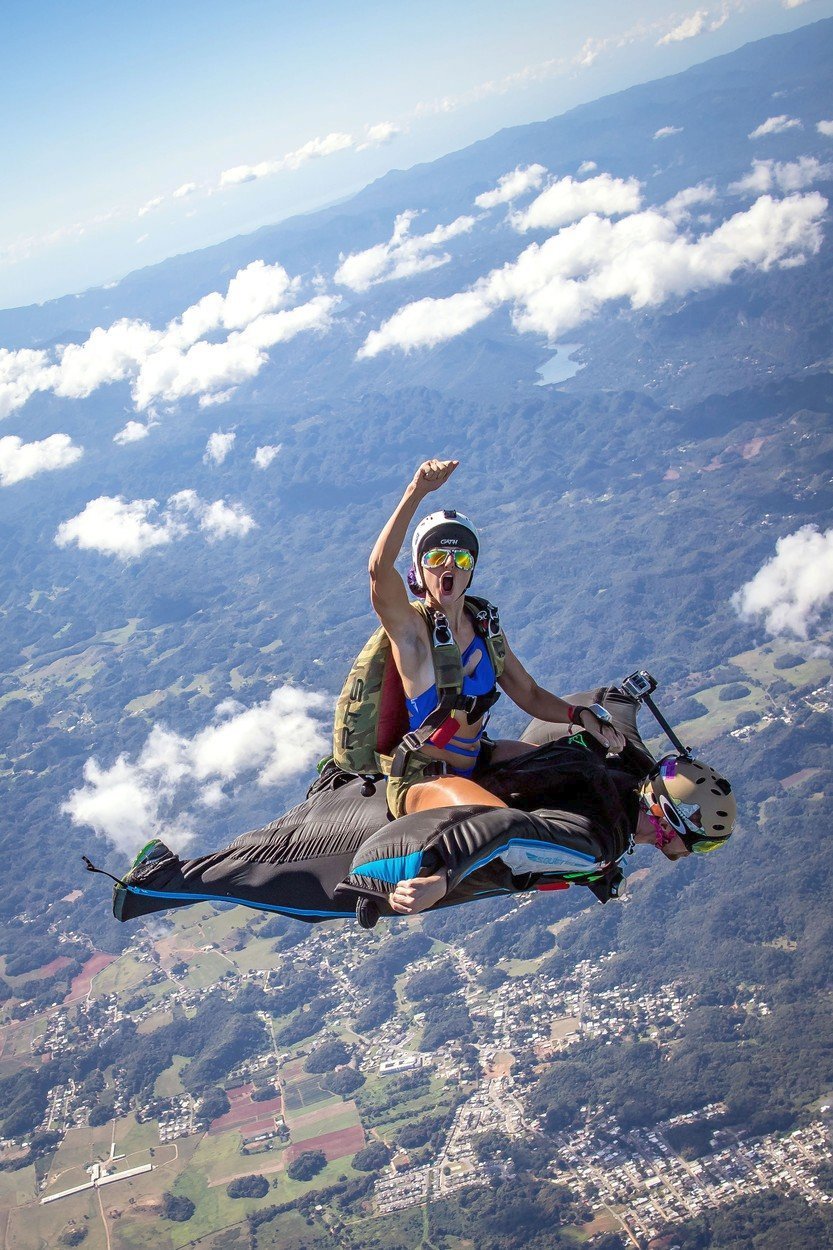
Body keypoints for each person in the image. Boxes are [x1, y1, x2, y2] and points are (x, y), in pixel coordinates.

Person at [361, 458, 624, 914]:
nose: (449, 566)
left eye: (461, 558)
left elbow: (530, 694)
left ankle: (605, 849)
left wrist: (581, 716)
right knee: (499, 825)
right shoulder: (414, 632)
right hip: (426, 775)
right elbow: (378, 573)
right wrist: (415, 492)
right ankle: (435, 882)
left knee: (581, 766)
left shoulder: (485, 627)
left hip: (478, 756)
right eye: (436, 557)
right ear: (419, 569)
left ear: (472, 568)